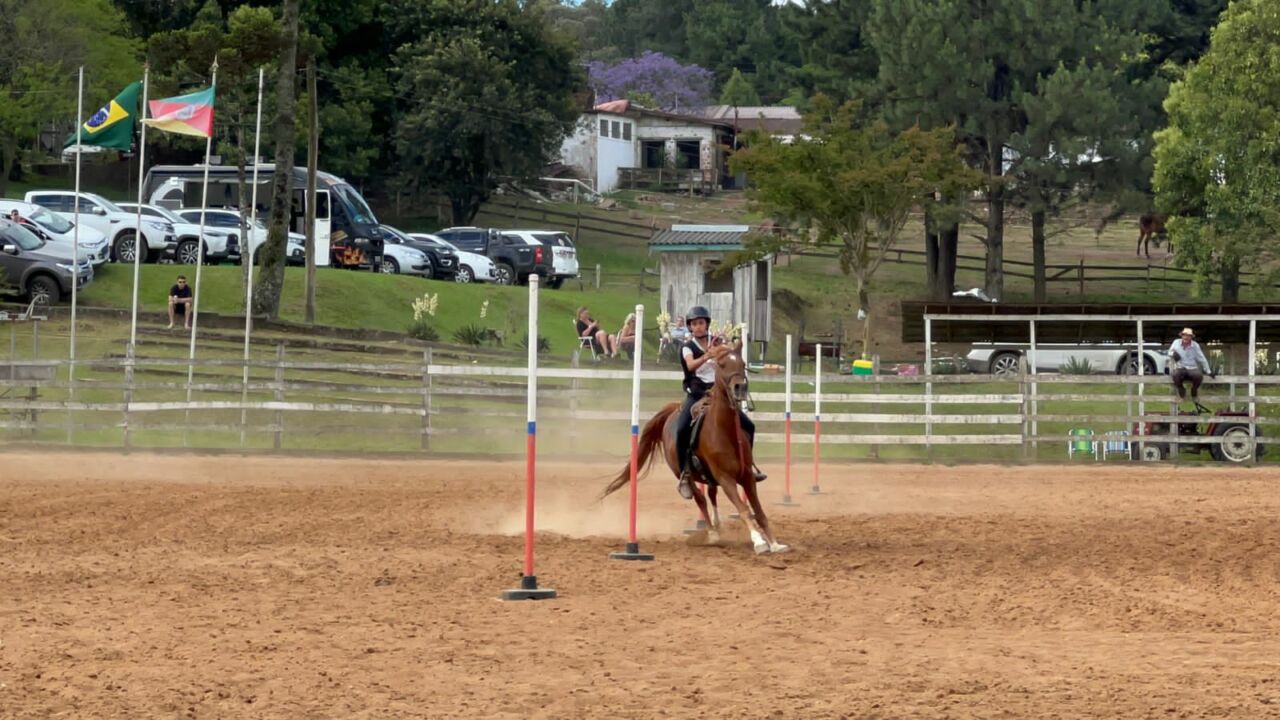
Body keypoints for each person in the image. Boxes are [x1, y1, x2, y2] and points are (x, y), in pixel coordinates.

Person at [673, 305, 766, 500]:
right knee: (681, 430)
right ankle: (685, 474)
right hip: (697, 394)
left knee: (748, 425)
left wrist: (738, 344)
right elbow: (690, 365)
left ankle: (748, 465)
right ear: (690, 327)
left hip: (718, 394)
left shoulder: (718, 343)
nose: (698, 327)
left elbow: (731, 357)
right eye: (694, 324)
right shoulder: (687, 347)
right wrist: (706, 355)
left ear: (706, 324)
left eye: (701, 323)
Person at [1169, 327, 1214, 401]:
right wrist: (1173, 354)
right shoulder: (1176, 342)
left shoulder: (1195, 346)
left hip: (1192, 367)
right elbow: (1169, 352)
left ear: (1191, 337)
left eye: (1188, 335)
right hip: (1180, 367)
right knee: (1175, 375)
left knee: (1198, 376)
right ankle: (1181, 388)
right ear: (1182, 336)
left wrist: (1208, 371)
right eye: (1184, 335)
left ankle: (1194, 389)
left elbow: (1202, 358)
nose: (1186, 337)